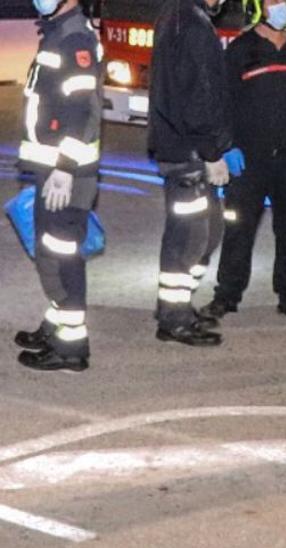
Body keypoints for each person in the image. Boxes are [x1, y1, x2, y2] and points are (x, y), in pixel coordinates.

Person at [198, 0, 286, 324]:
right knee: (238, 227)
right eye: (273, 1)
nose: (281, 7)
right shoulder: (241, 49)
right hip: (249, 158)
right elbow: (222, 102)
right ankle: (226, 295)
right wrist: (227, 146)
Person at [12, 0, 102, 372]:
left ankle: (72, 347)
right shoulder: (58, 31)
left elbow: (81, 111)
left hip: (66, 175)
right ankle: (56, 324)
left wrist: (65, 167)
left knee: (63, 256)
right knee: (50, 252)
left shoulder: (74, 36)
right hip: (50, 169)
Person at [148, 0, 235, 347]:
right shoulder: (193, 25)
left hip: (180, 147)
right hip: (190, 152)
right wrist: (212, 152)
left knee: (202, 233)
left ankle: (175, 306)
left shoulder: (176, 15)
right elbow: (200, 96)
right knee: (191, 239)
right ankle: (174, 318)